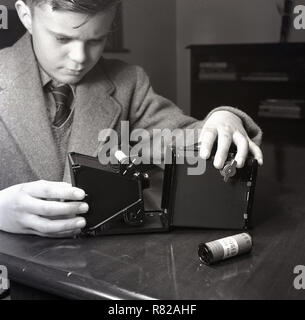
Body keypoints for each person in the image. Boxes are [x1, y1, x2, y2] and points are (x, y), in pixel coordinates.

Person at [0, 0, 263, 238]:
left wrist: (223, 118)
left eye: (96, 40)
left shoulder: (129, 83)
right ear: (25, 15)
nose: (80, 58)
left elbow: (183, 139)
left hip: (101, 268)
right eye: (61, 38)